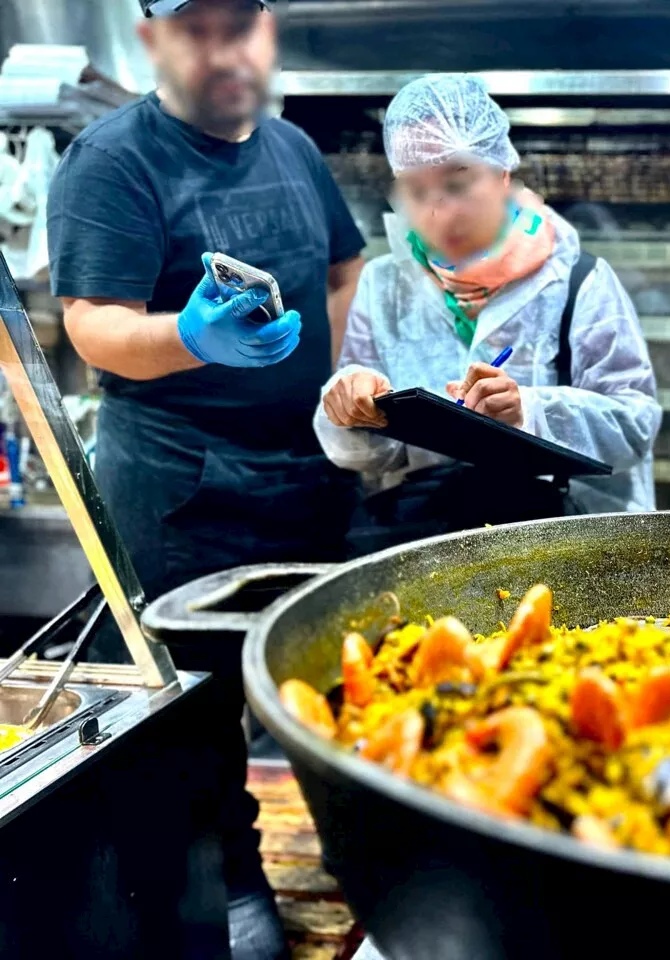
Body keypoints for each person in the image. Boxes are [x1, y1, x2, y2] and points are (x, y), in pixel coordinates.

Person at [45, 1, 365, 956]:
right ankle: (229, 888)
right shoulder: (111, 160)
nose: (223, 46)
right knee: (193, 719)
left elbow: (344, 266)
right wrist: (192, 336)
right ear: (154, 38)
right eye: (197, 25)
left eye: (241, 21)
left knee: (332, 685)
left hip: (307, 472)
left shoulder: (293, 148)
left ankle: (372, 874)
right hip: (180, 484)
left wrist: (325, 376)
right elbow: (92, 322)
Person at [315, 74, 660, 550]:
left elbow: (634, 423)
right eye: (416, 191)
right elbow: (368, 456)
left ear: (501, 174)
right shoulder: (384, 286)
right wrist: (351, 408)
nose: (440, 212)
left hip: (565, 544)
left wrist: (530, 412)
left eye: (458, 184)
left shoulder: (580, 280)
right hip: (424, 542)